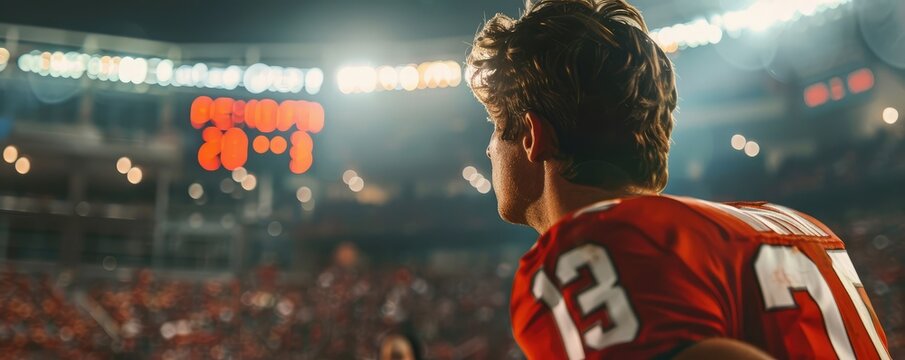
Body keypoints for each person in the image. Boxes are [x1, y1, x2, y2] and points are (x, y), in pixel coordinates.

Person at [466, 0, 890, 359]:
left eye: (495, 127)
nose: (489, 149)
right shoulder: (798, 226)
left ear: (532, 136)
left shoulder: (594, 249)